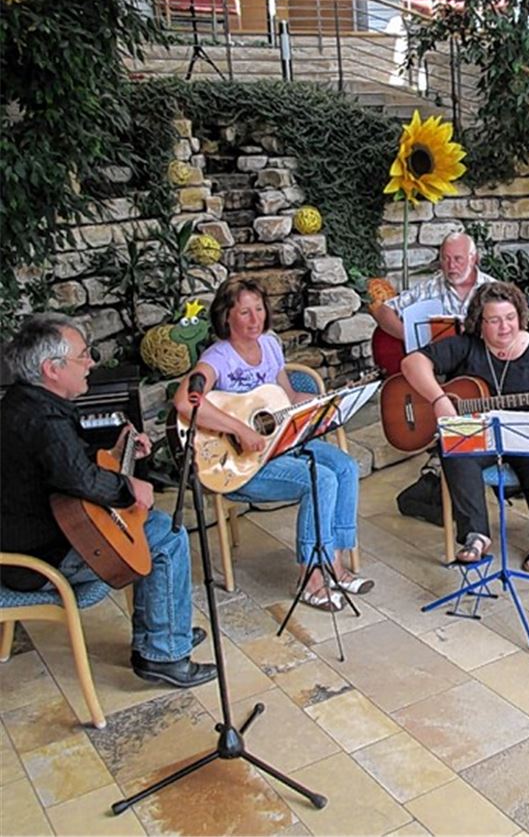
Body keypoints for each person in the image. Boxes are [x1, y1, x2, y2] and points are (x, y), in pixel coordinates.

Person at [1, 314, 217, 688]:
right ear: (52, 369)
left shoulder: (27, 402)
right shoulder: (42, 422)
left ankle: (164, 630)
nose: (91, 363)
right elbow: (80, 478)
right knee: (166, 537)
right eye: (83, 356)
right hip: (36, 558)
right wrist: (130, 487)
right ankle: (163, 652)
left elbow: (67, 466)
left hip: (41, 533)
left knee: (156, 529)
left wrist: (117, 451)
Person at [173, 277, 371, 613]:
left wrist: (324, 403)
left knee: (345, 467)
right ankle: (310, 577)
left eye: (259, 310)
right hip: (238, 464)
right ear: (226, 317)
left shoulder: (270, 346)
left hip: (280, 445)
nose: (255, 319)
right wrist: (239, 428)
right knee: (319, 479)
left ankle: (334, 562)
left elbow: (286, 399)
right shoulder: (219, 357)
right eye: (245, 312)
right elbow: (185, 402)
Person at [400, 281, 529, 573]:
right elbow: (412, 363)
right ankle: (476, 535)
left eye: (510, 318)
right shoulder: (466, 346)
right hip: (478, 434)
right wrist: (439, 398)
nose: (504, 327)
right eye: (494, 320)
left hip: (528, 433)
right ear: (479, 323)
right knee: (454, 448)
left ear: (520, 317)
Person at [370, 231, 493, 339]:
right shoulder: (429, 287)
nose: (451, 266)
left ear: (473, 259)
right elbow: (383, 311)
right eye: (445, 259)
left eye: (458, 259)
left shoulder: (493, 290)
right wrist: (410, 339)